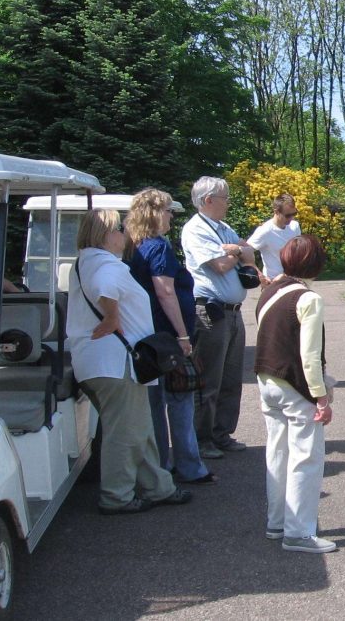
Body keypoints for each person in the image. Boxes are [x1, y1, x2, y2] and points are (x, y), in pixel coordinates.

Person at [68, 209, 192, 514]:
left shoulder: (86, 261)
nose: (126, 235)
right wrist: (112, 317)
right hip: (114, 363)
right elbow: (105, 288)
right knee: (125, 432)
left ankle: (159, 487)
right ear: (106, 233)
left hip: (99, 362)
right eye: (120, 229)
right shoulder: (106, 264)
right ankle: (116, 496)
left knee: (138, 427)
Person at [127, 189, 216, 485]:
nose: (170, 217)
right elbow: (165, 292)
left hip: (146, 335)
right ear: (155, 213)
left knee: (155, 404)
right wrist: (182, 335)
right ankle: (189, 467)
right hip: (165, 337)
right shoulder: (158, 247)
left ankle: (160, 467)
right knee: (180, 398)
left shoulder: (135, 245)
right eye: (167, 211)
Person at [255, 234, 337, 553]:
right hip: (294, 385)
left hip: (267, 380)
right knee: (306, 457)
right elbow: (310, 356)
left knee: (277, 454)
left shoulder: (270, 291)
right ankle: (299, 532)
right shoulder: (308, 299)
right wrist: (321, 397)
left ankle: (277, 523)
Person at [181, 176, 254, 460]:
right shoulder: (195, 229)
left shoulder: (223, 228)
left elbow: (246, 250)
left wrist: (234, 249)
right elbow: (221, 265)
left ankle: (222, 433)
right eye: (225, 198)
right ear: (208, 200)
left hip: (232, 311)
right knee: (209, 379)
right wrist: (235, 251)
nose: (228, 203)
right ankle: (203, 438)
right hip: (210, 311)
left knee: (231, 378)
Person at [248, 193, 302, 281]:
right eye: (287, 215)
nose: (291, 218)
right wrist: (259, 275)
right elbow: (245, 252)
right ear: (276, 212)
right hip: (274, 282)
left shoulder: (295, 226)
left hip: (293, 280)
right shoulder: (265, 230)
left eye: (294, 213)